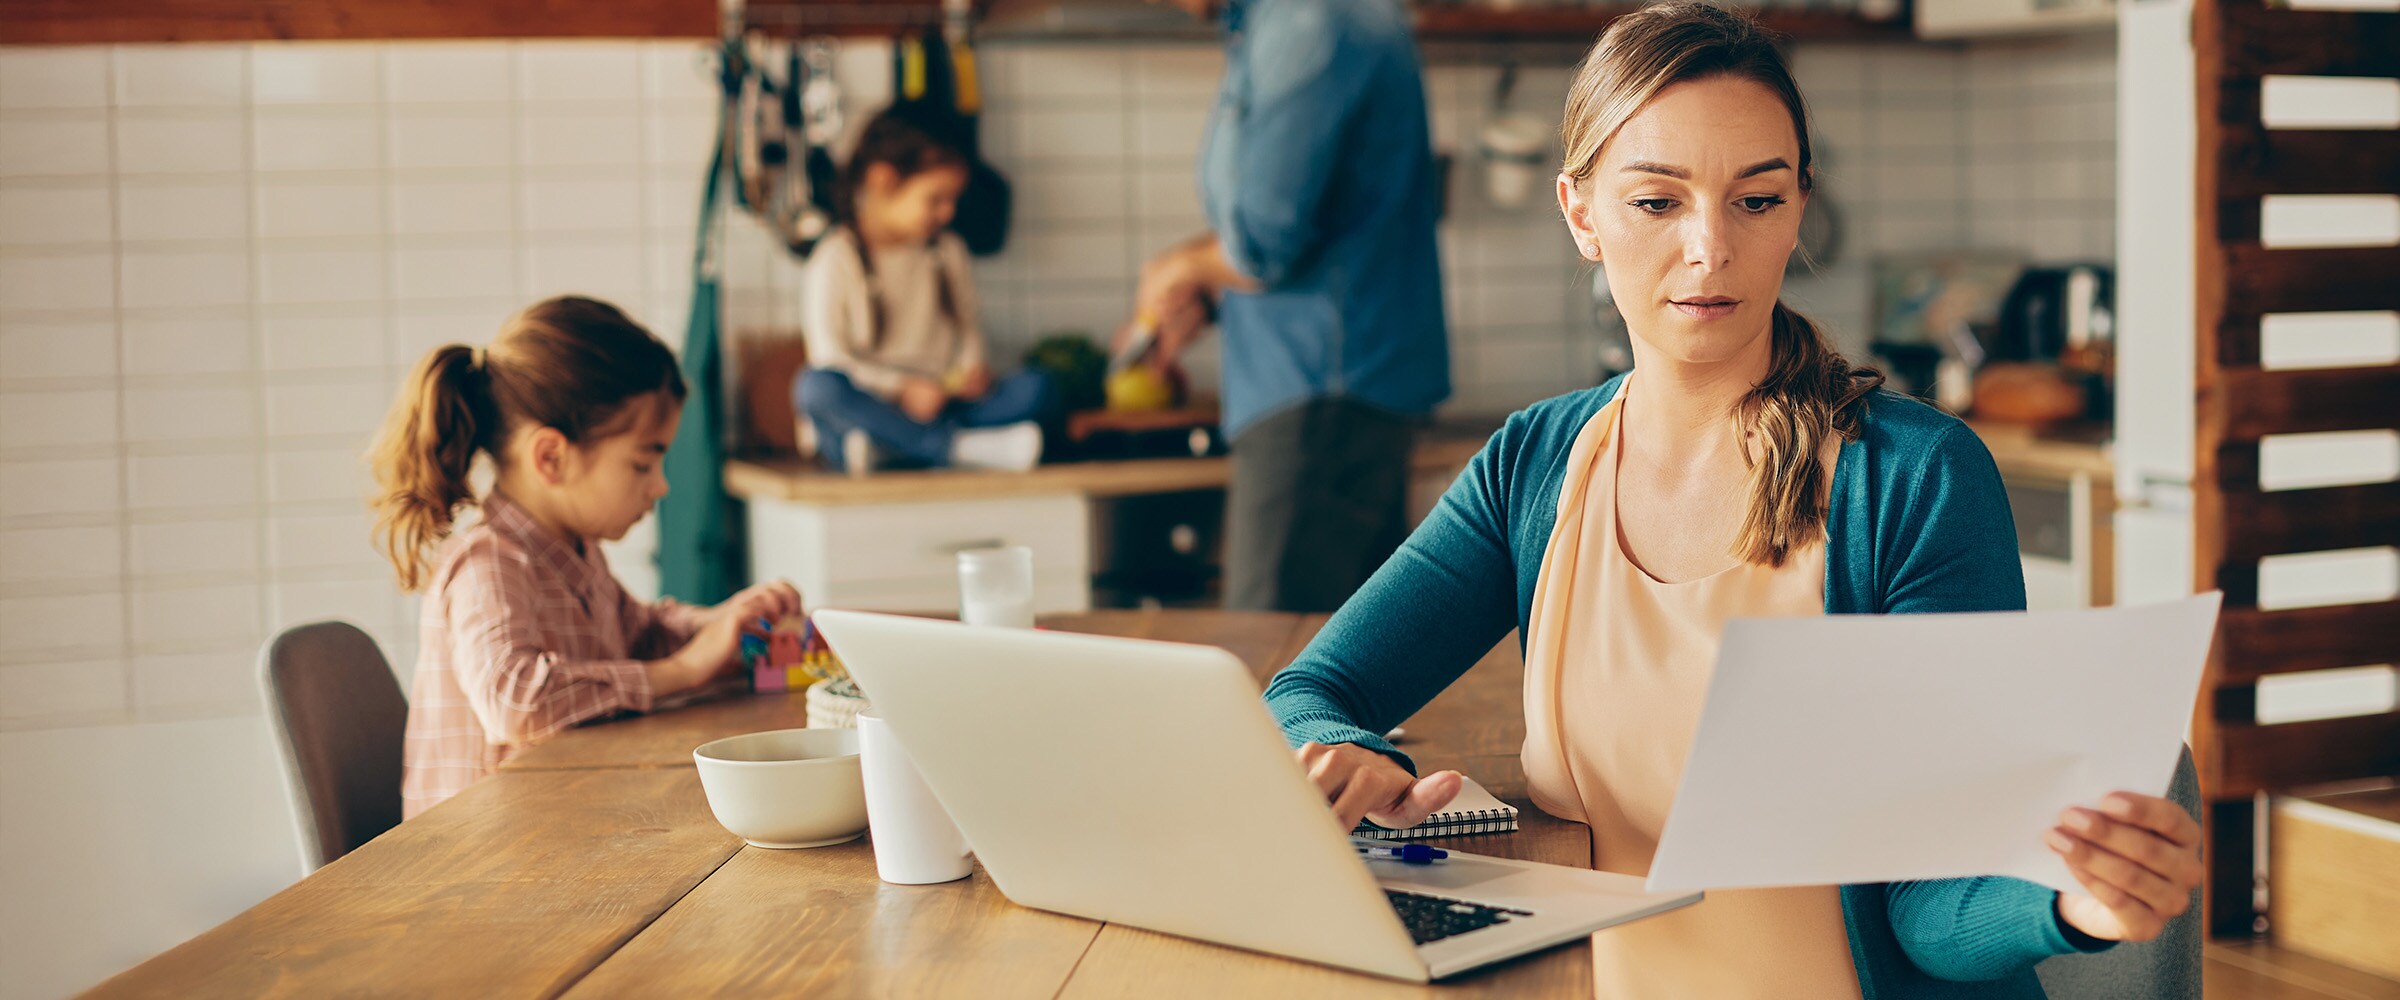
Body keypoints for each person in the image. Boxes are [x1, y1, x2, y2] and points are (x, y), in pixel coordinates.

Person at [1260, 6, 2203, 997]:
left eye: (1755, 200)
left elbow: (1933, 900)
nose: (1711, 249)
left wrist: (2074, 902)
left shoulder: (1917, 480)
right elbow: (1311, 692)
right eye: (1658, 202)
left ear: (1800, 208)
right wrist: (1341, 753)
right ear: (1582, 213)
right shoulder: (1533, 466)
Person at [370, 296, 803, 818]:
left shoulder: (575, 551)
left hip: (559, 829)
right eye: (643, 464)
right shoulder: (488, 562)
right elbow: (516, 701)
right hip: (480, 866)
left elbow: (637, 630)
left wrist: (720, 623)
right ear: (551, 457)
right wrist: (686, 667)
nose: (661, 486)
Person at [1133, 0, 1451, 612]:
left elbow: (1261, 242)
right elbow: (1309, 231)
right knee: (1339, 670)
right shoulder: (1300, 20)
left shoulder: (1311, 23)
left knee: (1274, 668)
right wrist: (1203, 287)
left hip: (1320, 400)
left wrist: (1176, 267)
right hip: (1335, 388)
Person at [794, 108, 1056, 477]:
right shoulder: (834, 258)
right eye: (935, 199)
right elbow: (831, 357)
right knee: (817, 388)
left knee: (1039, 387)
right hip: (875, 406)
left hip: (943, 404)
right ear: (884, 180)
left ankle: (895, 449)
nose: (947, 213)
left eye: (952, 201)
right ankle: (955, 448)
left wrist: (970, 370)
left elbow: (968, 327)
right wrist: (901, 390)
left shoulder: (947, 250)